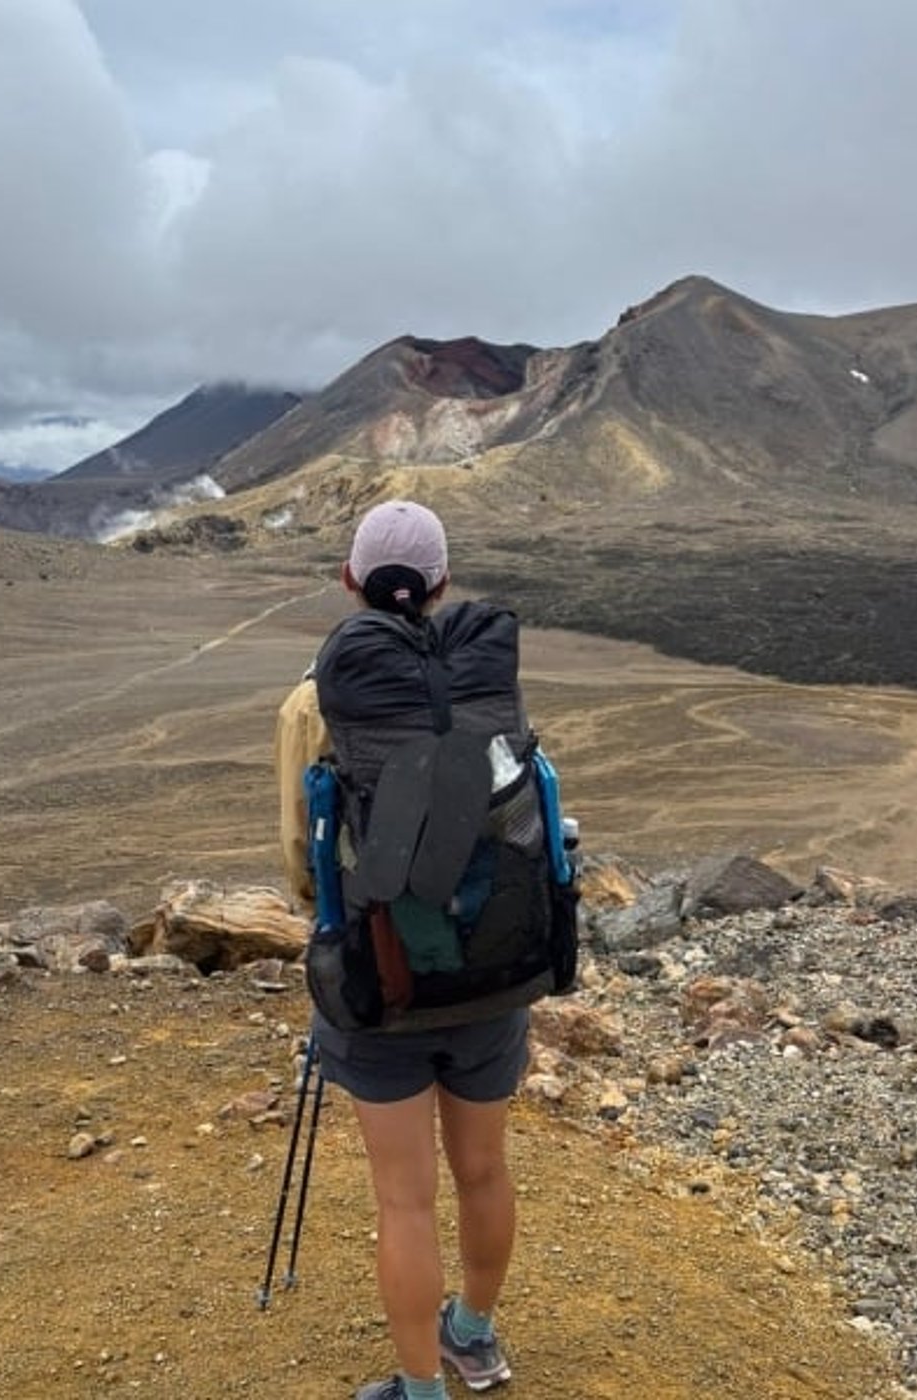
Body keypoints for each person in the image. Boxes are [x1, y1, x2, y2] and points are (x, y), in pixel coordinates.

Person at [275, 500, 528, 1400]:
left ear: (352, 582)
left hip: (380, 983)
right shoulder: (487, 691)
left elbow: (305, 863)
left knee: (405, 1199)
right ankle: (475, 1337)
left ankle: (420, 1391)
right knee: (484, 1169)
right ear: (441, 586)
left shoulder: (316, 701)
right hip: (496, 971)